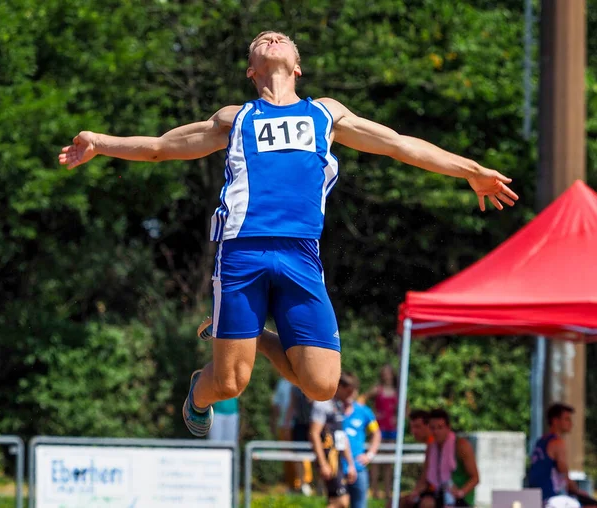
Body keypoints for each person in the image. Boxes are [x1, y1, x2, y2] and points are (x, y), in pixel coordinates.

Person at [59, 31, 519, 438]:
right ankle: (198, 396)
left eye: (281, 38)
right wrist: (101, 143)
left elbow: (400, 144)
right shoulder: (234, 119)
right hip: (242, 252)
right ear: (251, 69)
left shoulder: (326, 114)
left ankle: (256, 333)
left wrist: (471, 171)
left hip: (302, 254)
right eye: (262, 39)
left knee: (322, 385)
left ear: (297, 67)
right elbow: (161, 148)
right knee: (230, 383)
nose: (272, 36)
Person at [528, 403, 597, 507]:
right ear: (555, 421)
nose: (571, 423)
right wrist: (578, 491)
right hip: (552, 499)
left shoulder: (541, 441)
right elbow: (565, 475)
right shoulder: (557, 443)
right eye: (567, 419)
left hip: (536, 497)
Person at [310, 380, 358, 508]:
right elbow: (314, 434)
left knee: (337, 501)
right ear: (339, 387)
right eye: (348, 392)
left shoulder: (338, 405)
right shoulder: (321, 405)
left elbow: (341, 436)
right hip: (328, 458)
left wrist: (350, 463)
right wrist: (323, 463)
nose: (350, 396)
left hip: (338, 460)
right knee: (342, 501)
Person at [417, 409, 479, 508]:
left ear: (448, 428)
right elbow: (425, 476)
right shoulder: (431, 447)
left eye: (440, 427)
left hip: (460, 497)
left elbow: (475, 478)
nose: (436, 432)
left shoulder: (461, 445)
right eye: (433, 428)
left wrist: (460, 492)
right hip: (438, 492)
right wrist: (415, 493)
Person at [339, 372, 382, 508]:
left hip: (358, 468)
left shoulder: (364, 412)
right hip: (338, 468)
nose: (350, 393)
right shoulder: (333, 409)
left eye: (353, 390)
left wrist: (370, 454)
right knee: (338, 503)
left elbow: (376, 433)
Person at [366, 364, 399, 500]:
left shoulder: (398, 391)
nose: (386, 375)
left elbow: (406, 409)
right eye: (384, 373)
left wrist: (398, 418)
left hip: (391, 429)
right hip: (378, 429)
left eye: (388, 372)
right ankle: (374, 490)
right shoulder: (377, 389)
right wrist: (372, 415)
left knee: (388, 462)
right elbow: (363, 399)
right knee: (375, 460)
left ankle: (387, 491)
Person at [281, 383, 314, 495]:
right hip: (299, 424)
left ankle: (319, 485)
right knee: (298, 455)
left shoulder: (314, 384)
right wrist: (286, 424)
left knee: (317, 454)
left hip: (314, 424)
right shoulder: (294, 387)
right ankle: (302, 483)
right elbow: (292, 405)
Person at [399, 410, 434, 508]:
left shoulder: (433, 443)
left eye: (417, 427)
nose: (413, 431)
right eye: (412, 427)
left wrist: (416, 492)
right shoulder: (429, 443)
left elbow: (427, 474)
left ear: (428, 426)